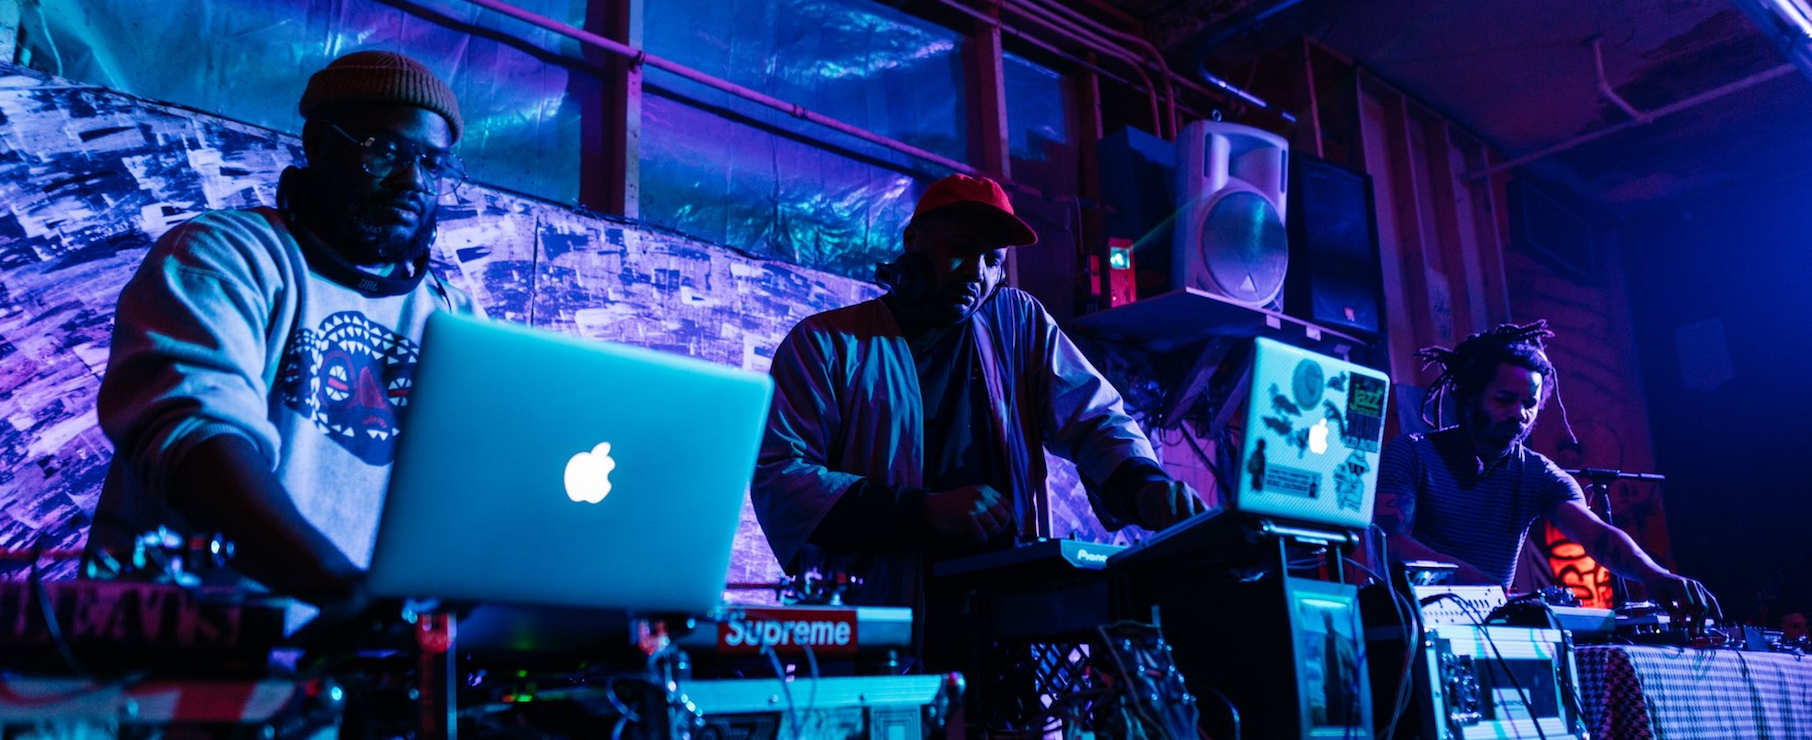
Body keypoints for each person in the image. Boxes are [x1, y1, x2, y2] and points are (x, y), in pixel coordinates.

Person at [85, 51, 480, 611]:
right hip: (192, 667)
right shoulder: (222, 256)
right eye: (384, 151)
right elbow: (198, 437)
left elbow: (477, 493)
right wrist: (342, 592)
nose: (413, 181)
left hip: (377, 666)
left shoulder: (456, 319)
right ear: (319, 145)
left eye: (433, 165)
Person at [751, 173, 1204, 625]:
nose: (976, 272)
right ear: (912, 240)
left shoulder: (1018, 322)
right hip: (879, 630)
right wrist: (924, 511)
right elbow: (782, 478)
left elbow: (1094, 418)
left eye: (992, 259)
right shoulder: (827, 344)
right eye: (960, 248)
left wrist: (1145, 487)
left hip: (1006, 626)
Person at [1376, 321, 1719, 625]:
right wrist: (1484, 585)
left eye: (1529, 404)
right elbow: (1389, 541)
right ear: (1468, 396)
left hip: (1492, 626)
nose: (1520, 414)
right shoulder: (1413, 453)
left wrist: (1653, 574)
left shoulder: (1538, 475)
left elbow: (1597, 536)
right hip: (1411, 623)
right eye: (1505, 399)